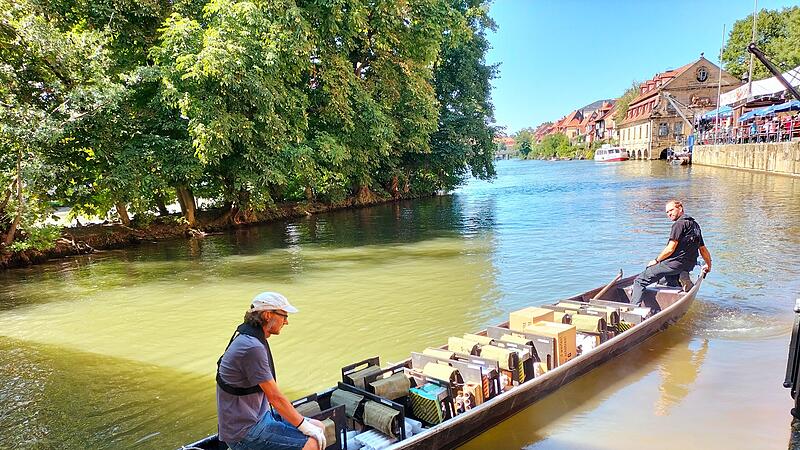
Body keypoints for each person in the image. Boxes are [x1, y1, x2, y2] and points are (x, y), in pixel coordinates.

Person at [216, 292, 326, 450]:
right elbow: (275, 397)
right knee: (312, 443)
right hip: (244, 430)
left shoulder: (249, 336)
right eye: (284, 316)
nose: (286, 322)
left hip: (259, 415)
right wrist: (304, 427)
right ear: (268, 315)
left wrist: (309, 426)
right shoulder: (252, 347)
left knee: (319, 426)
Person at [630, 200, 712, 307]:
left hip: (674, 264)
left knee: (639, 281)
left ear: (680, 208)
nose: (669, 214)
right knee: (667, 279)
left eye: (671, 210)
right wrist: (708, 265)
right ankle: (681, 276)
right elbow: (703, 249)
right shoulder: (695, 225)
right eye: (667, 212)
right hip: (688, 264)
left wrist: (656, 260)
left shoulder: (678, 224)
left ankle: (633, 311)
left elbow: (670, 249)